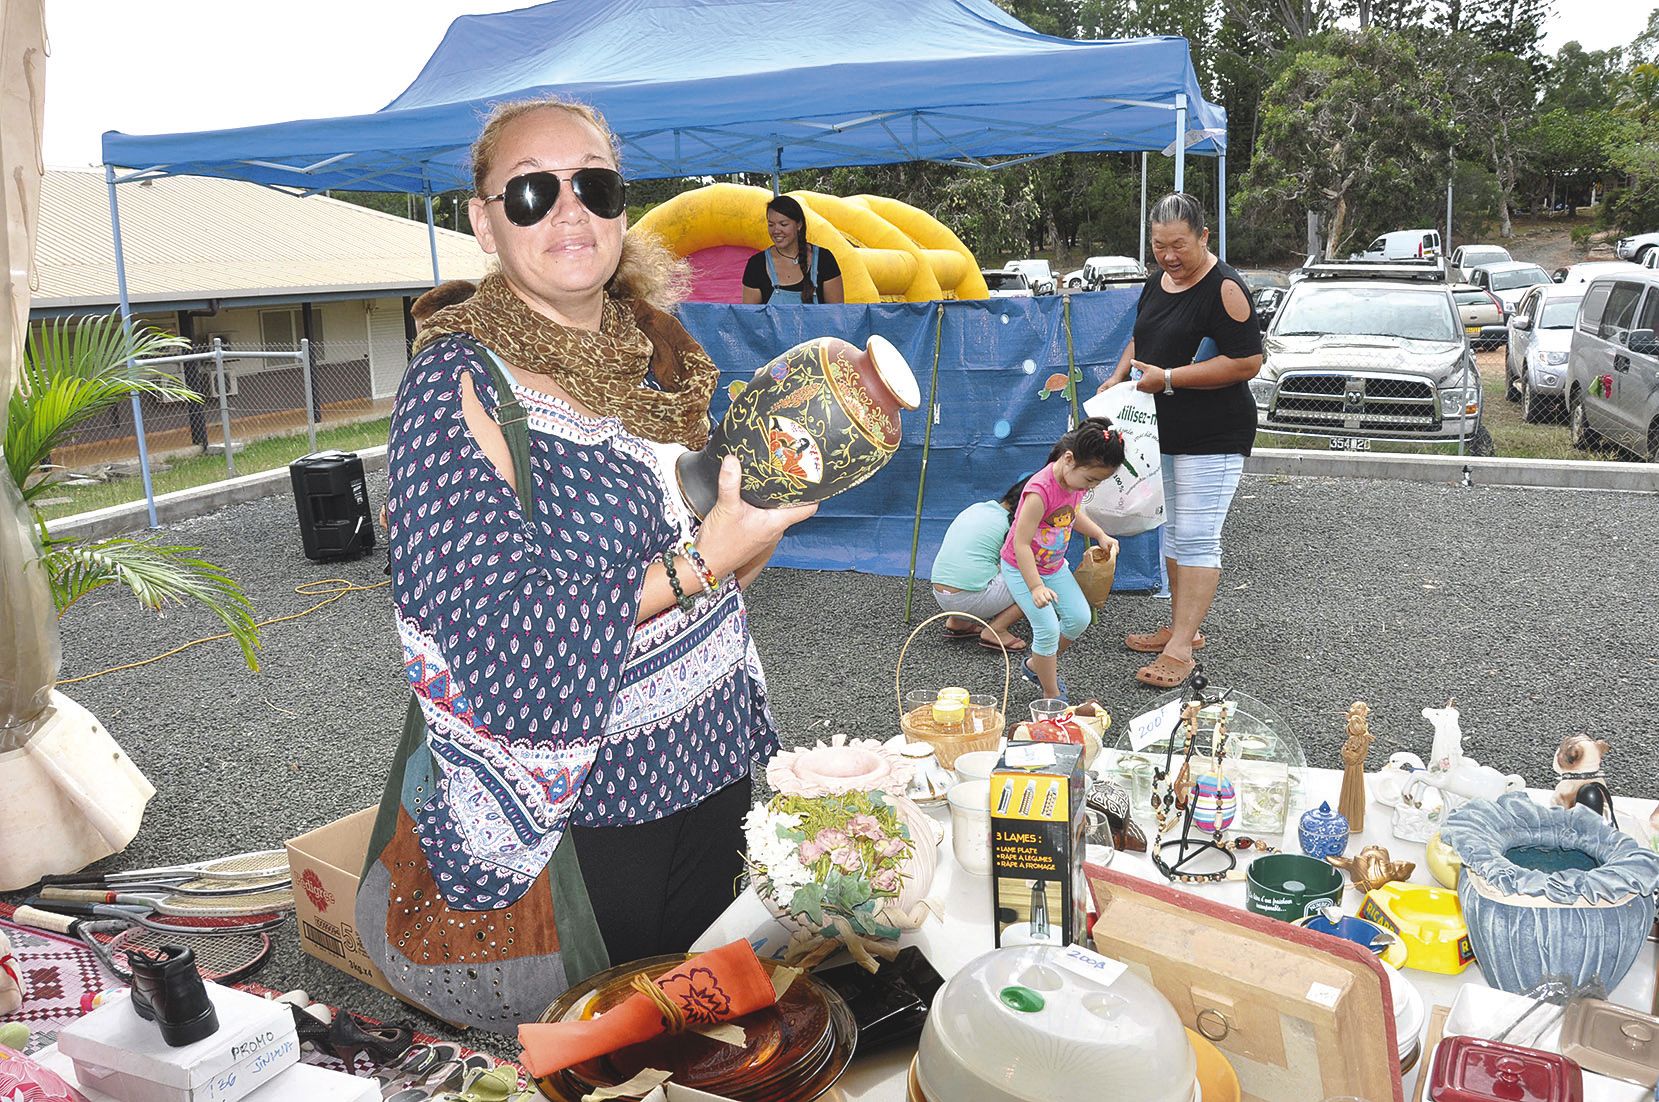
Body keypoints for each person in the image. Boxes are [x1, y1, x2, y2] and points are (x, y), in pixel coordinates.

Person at [356, 95, 817, 1030]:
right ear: (484, 222)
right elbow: (488, 626)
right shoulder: (458, 385)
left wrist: (747, 537)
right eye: (529, 191)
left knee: (703, 1020)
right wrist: (701, 561)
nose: (567, 209)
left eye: (591, 185)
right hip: (590, 798)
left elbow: (714, 584)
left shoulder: (658, 360)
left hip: (711, 750)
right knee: (609, 1039)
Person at [1096, 193, 1262, 689]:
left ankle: (1181, 647)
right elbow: (1140, 336)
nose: (1169, 256)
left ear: (1204, 237)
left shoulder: (1226, 288)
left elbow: (1247, 362)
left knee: (1196, 535)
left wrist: (1168, 378)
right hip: (1159, 431)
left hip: (1215, 433)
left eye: (1180, 245)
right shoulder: (1157, 282)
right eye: (1159, 245)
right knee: (1170, 531)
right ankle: (1179, 626)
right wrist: (1119, 374)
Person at [1000, 418, 1124, 700]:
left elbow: (1073, 514)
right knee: (1046, 628)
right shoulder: (1039, 491)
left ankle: (1037, 664)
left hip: (1052, 566)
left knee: (1079, 619)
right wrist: (1035, 587)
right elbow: (1020, 544)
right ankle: (1051, 694)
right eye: (1091, 479)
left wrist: (1100, 534)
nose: (1090, 487)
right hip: (1022, 568)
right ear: (1069, 459)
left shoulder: (1074, 483)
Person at [930, 477, 1031, 651]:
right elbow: (1017, 565)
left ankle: (958, 621)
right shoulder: (1012, 525)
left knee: (979, 567)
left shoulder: (978, 507)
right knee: (1037, 578)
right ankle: (996, 630)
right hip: (969, 598)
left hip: (940, 594)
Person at [741, 194, 845, 304]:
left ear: (799, 225)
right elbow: (750, 317)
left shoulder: (824, 259)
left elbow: (836, 315)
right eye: (771, 224)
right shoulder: (756, 265)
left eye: (783, 224)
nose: (776, 231)